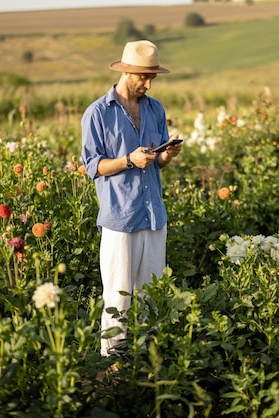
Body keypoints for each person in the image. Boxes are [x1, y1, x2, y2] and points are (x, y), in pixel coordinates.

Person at [81, 40, 182, 357]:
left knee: (152, 295)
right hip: (120, 218)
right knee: (118, 297)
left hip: (153, 216)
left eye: (152, 77)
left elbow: (157, 164)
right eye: (143, 77)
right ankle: (112, 366)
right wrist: (128, 160)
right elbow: (93, 166)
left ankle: (146, 360)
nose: (148, 84)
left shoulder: (155, 109)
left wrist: (167, 156)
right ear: (126, 71)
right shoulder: (98, 113)